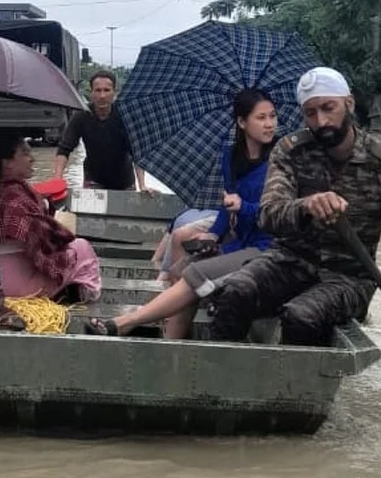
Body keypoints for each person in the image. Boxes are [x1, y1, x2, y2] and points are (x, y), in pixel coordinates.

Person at [206, 66, 381, 350]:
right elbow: (269, 214)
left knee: (301, 316)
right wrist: (306, 206)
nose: (321, 120)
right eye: (311, 113)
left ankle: (295, 392)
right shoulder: (290, 151)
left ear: (348, 104)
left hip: (349, 278)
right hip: (288, 261)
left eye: (329, 108)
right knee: (234, 291)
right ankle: (222, 374)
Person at [84, 88, 280, 339]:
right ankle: (172, 345)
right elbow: (226, 205)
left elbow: (277, 214)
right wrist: (213, 234)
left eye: (272, 116)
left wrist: (245, 207)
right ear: (242, 122)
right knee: (181, 267)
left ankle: (126, 322)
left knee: (195, 273)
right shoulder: (231, 156)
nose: (269, 124)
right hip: (239, 242)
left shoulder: (279, 160)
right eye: (261, 118)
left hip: (266, 248)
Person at [0, 134, 102, 301]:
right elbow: (44, 241)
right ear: (7, 163)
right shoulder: (15, 195)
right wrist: (57, 227)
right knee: (81, 247)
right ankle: (86, 293)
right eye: (25, 154)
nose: (32, 159)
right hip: (16, 286)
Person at [52, 70, 154, 193]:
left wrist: (142, 185)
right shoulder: (81, 116)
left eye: (106, 90)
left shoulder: (126, 116)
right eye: (98, 90)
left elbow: (137, 153)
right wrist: (57, 181)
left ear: (114, 93)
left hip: (124, 181)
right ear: (91, 93)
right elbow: (64, 149)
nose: (102, 96)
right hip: (94, 180)